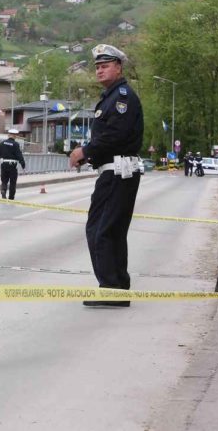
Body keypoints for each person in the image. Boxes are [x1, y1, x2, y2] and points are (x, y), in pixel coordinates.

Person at [68, 44, 143, 308]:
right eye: (97, 67)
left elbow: (115, 135)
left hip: (118, 173)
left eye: (105, 65)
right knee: (112, 231)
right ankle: (118, 287)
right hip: (115, 171)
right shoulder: (112, 96)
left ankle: (111, 288)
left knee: (101, 231)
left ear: (119, 67)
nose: (100, 70)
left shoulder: (121, 96)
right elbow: (111, 138)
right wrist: (90, 156)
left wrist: (84, 151)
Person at [0, 129, 26, 200]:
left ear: (9, 135)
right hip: (12, 166)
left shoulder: (2, 143)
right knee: (12, 182)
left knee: (4, 180)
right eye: (15, 135)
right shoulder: (16, 144)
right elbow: (19, 155)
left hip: (4, 164)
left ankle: (3, 190)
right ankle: (11, 198)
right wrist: (23, 165)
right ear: (14, 136)